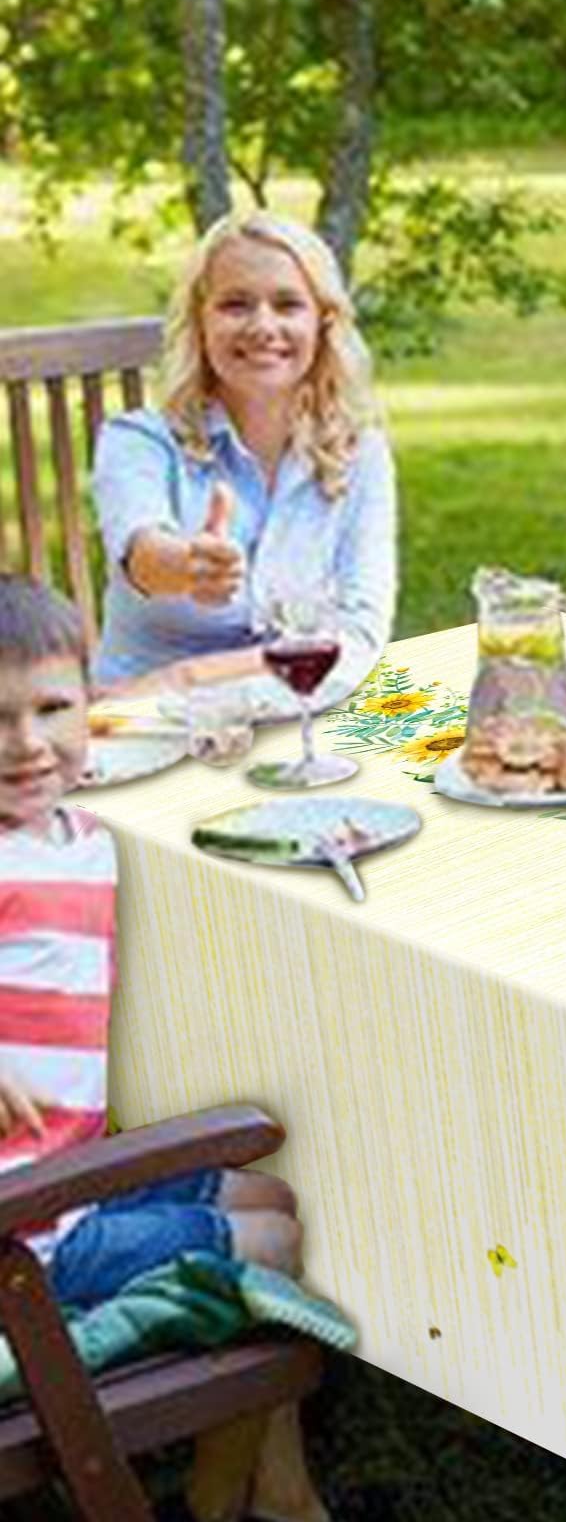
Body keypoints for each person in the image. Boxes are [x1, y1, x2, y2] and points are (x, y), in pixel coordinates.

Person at [0, 574, 325, 1520]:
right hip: (30, 1235)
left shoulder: (65, 828)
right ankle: (235, 1502)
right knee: (273, 1243)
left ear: (89, 708)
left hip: (65, 1174)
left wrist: (207, 740)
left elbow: (109, 744)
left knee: (270, 1193)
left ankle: (267, 1487)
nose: (26, 743)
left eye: (53, 709)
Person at [91, 210, 396, 708]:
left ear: (323, 322)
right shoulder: (137, 441)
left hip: (293, 717)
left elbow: (359, 638)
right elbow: (144, 555)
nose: (262, 326)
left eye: (287, 304)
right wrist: (187, 566)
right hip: (146, 723)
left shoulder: (360, 453)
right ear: (200, 322)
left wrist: (189, 676)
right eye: (235, 305)